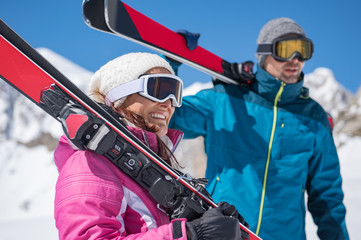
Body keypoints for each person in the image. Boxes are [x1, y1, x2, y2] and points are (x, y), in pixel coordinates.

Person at [169, 17, 349, 239]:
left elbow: (327, 198)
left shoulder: (314, 117)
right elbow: (168, 116)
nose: (296, 59)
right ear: (264, 53)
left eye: (303, 50)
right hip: (224, 232)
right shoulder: (225, 100)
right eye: (286, 49)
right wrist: (170, 62)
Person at [53, 52, 246, 240]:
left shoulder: (158, 166)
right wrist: (188, 234)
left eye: (174, 94)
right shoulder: (89, 163)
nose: (168, 103)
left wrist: (215, 225)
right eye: (158, 89)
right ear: (119, 97)